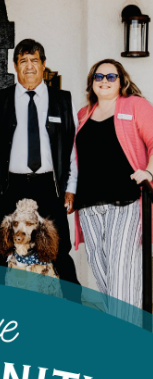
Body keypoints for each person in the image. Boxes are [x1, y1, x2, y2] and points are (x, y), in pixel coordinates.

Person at [0, 38, 81, 301]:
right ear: (15, 65)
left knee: (59, 250)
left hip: (49, 185)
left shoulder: (62, 100)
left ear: (44, 64)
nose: (29, 66)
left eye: (34, 60)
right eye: (23, 61)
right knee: (3, 250)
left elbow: (72, 148)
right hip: (9, 185)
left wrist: (71, 187)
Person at [73, 59, 153, 317]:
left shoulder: (135, 105)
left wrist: (149, 171)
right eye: (98, 76)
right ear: (92, 82)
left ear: (121, 81)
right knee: (105, 278)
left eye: (111, 76)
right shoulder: (84, 114)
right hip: (88, 207)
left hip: (125, 202)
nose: (104, 80)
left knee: (123, 276)